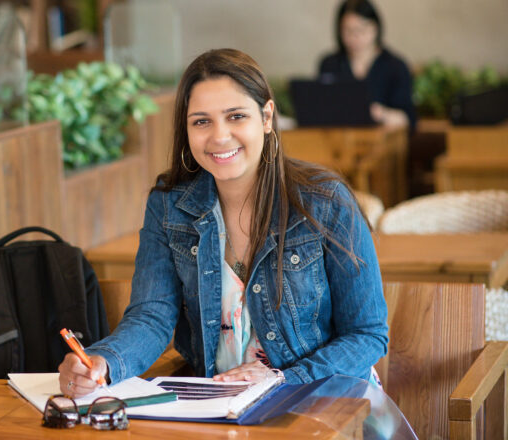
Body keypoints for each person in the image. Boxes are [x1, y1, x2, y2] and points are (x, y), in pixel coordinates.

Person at [59, 48, 388, 398]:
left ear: (266, 117)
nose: (219, 136)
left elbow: (367, 335)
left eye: (235, 116)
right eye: (201, 121)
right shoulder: (168, 206)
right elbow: (151, 318)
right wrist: (104, 362)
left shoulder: (325, 200)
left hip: (327, 401)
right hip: (225, 410)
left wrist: (282, 379)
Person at [319, 0, 417, 129]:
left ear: (376, 28)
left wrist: (381, 113)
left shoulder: (395, 67)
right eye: (348, 31)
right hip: (338, 142)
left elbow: (408, 118)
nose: (355, 37)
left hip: (382, 144)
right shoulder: (330, 64)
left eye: (361, 30)